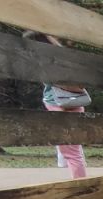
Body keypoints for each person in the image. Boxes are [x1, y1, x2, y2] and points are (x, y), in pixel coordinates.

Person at [24, 31, 88, 180]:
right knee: (71, 151)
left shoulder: (47, 62)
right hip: (70, 103)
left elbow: (71, 84)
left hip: (62, 104)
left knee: (71, 153)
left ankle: (80, 186)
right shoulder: (63, 58)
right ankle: (79, 181)